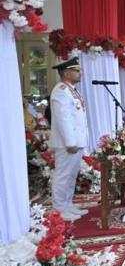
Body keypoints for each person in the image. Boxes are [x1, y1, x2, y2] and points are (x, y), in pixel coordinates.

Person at [49, 57, 88, 222]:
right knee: (63, 175)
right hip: (67, 143)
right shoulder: (61, 90)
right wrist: (70, 142)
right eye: (76, 70)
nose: (80, 73)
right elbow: (63, 119)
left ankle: (67, 204)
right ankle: (59, 208)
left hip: (76, 141)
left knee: (71, 175)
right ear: (66, 72)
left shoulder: (72, 90)